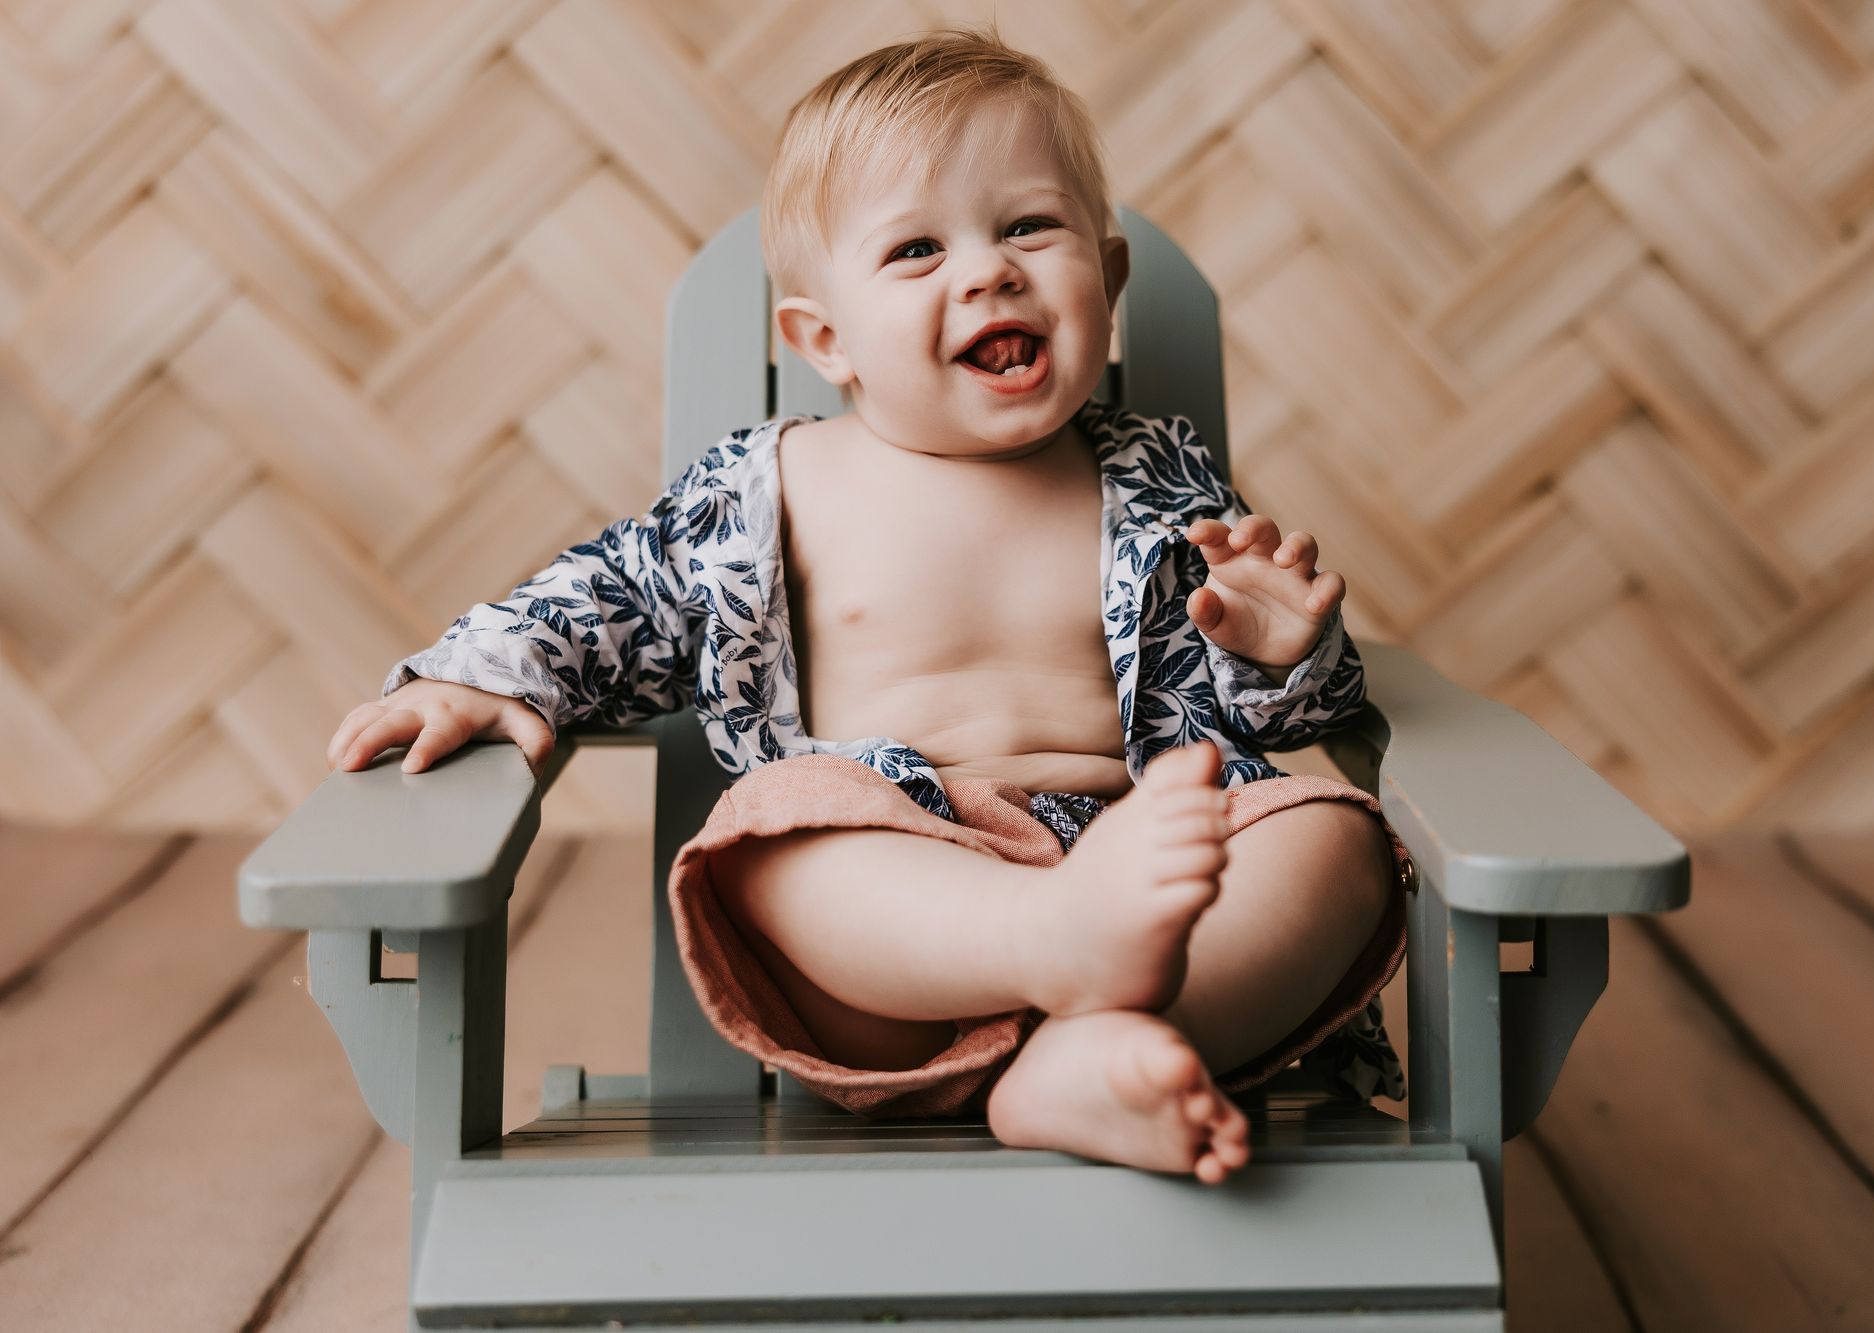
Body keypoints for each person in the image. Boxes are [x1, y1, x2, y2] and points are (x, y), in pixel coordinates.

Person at [327, 23, 1413, 1187]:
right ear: (823, 338)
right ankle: (1055, 945)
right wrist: (478, 675)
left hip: (1141, 876)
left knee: (1336, 839)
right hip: (899, 936)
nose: (987, 271)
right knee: (775, 824)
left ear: (1107, 278)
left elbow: (1272, 717)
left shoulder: (1156, 477)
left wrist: (1281, 651)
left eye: (1027, 227)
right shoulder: (768, 490)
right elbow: (611, 596)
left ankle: (1083, 1062)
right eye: (915, 249)